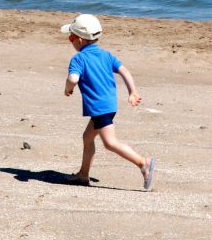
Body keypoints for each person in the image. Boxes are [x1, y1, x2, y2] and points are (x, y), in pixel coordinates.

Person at [60, 13, 155, 191]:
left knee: (110, 143)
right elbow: (124, 70)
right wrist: (132, 91)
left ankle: (143, 163)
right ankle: (83, 175)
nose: (70, 40)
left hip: (99, 107)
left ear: (79, 40)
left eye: (71, 37)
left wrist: (68, 89)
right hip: (109, 104)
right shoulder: (106, 55)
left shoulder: (78, 59)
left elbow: (73, 79)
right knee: (87, 138)